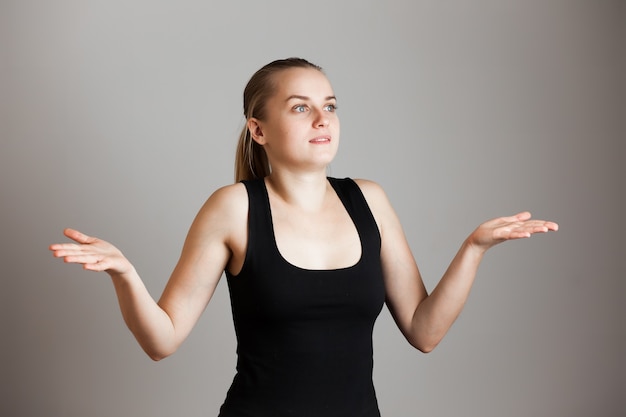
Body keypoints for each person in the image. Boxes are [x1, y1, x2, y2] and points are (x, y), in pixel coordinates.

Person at [49, 57, 558, 417]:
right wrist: (123, 273)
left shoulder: (370, 200)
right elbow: (161, 342)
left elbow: (425, 332)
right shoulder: (233, 208)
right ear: (259, 129)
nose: (322, 119)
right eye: (300, 107)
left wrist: (474, 249)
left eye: (330, 106)